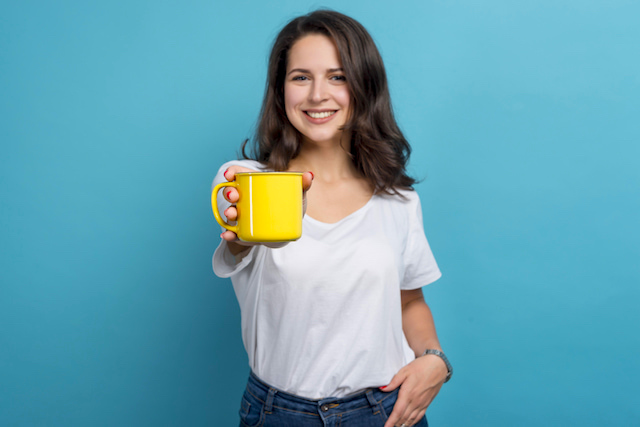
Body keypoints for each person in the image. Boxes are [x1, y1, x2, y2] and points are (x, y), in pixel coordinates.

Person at [212, 10, 451, 427]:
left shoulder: (398, 199)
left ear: (363, 87)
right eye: (300, 77)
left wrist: (434, 359)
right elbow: (237, 245)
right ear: (280, 89)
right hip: (278, 414)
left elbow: (409, 300)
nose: (317, 94)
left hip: (384, 410)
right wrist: (244, 235)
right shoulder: (248, 183)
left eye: (337, 77)